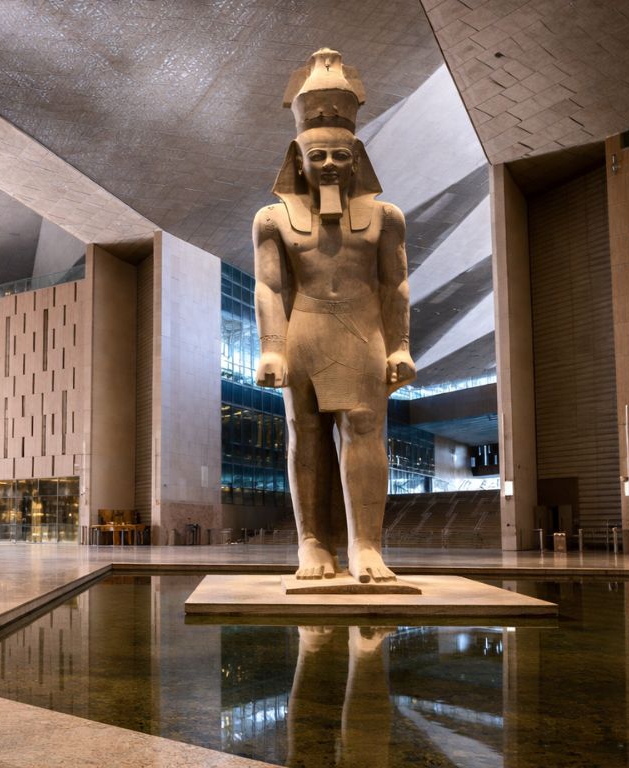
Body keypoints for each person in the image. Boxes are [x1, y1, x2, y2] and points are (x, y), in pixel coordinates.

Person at [254, 49, 415, 584]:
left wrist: (400, 346)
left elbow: (396, 284)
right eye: (316, 155)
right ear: (297, 159)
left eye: (338, 156)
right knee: (305, 433)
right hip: (305, 330)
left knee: (365, 428)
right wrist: (272, 347)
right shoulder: (273, 218)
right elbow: (270, 285)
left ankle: (366, 546)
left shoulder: (385, 217)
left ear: (356, 158)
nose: (327, 165)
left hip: (362, 329)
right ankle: (312, 543)